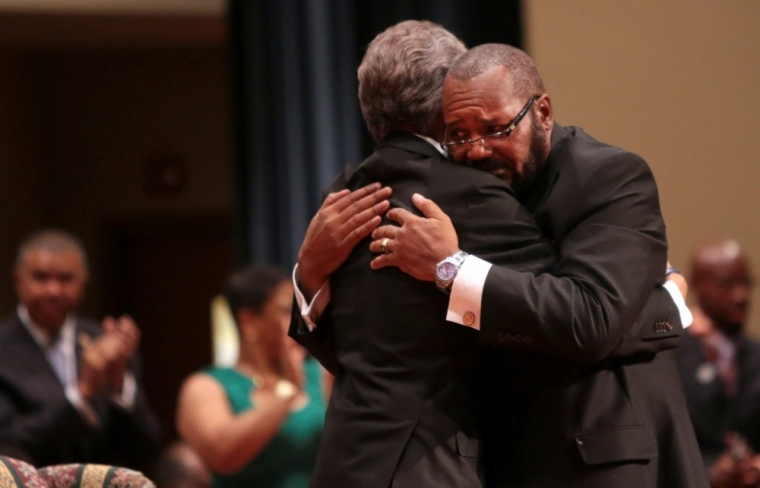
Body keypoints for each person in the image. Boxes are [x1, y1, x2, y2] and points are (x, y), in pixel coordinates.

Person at [290, 23, 697, 487]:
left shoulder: (610, 176)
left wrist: (449, 267)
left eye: (496, 128)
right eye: (459, 134)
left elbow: (589, 319)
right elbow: (377, 345)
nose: (478, 150)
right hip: (490, 457)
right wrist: (669, 302)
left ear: (542, 112)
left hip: (599, 455)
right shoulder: (429, 195)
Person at [0, 229, 161, 470]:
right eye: (41, 278)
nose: (53, 291)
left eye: (65, 279)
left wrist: (117, 384)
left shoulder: (105, 341)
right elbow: (8, 444)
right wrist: (82, 393)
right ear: (18, 280)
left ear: (84, 281)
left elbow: (147, 449)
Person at [176, 264, 326, 488]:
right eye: (286, 311)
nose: (301, 320)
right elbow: (222, 455)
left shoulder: (321, 374)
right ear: (249, 322)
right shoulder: (207, 386)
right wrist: (288, 393)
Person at [676, 239, 760, 488]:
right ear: (698, 285)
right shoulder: (671, 356)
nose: (741, 295)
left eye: (746, 283)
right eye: (727, 284)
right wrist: (709, 470)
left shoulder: (756, 355)